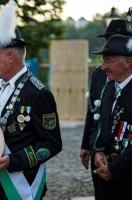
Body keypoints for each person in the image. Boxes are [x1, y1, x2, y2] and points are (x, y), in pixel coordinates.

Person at [0, 1, 62, 199]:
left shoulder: (38, 93)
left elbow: (51, 144)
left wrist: (12, 161)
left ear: (10, 56)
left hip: (22, 183)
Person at [80, 18, 132, 199]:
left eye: (108, 60)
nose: (103, 67)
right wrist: (97, 149)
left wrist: (115, 168)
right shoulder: (110, 86)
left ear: (127, 61)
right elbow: (98, 119)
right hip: (104, 169)